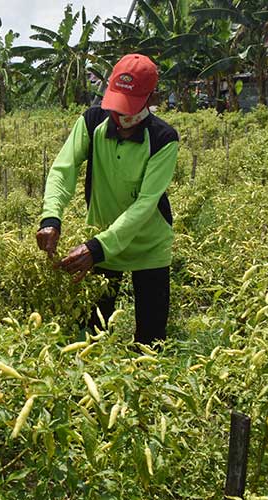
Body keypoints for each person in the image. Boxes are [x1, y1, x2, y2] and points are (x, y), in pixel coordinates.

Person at [36, 54, 179, 345]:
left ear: (151, 98)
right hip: (100, 242)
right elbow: (63, 170)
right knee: (91, 334)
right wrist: (51, 218)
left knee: (151, 342)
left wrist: (96, 247)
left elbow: (145, 204)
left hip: (147, 246)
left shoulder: (164, 138)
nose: (120, 117)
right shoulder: (93, 120)